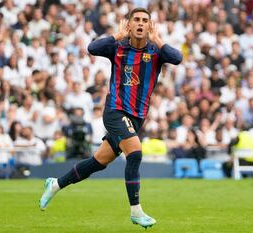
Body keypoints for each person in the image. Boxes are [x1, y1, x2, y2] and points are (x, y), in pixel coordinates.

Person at [39, 8, 182, 229]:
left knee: (98, 162)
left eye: (145, 20)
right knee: (134, 153)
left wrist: (157, 39)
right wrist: (117, 34)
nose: (141, 24)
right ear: (129, 24)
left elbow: (178, 58)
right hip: (115, 111)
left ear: (150, 25)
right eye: (136, 20)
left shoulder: (156, 51)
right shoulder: (118, 47)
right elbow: (92, 48)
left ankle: (55, 184)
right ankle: (136, 211)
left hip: (136, 117)